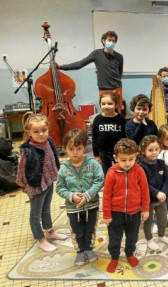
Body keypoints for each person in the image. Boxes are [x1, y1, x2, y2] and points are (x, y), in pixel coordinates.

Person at [16, 113, 66, 252]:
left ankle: (50, 231)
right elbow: (22, 169)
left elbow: (53, 157)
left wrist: (58, 172)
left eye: (44, 130)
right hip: (36, 185)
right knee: (35, 214)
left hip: (48, 180)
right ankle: (40, 239)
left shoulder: (49, 141)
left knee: (46, 208)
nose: (41, 134)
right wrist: (25, 186)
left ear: (48, 129)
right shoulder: (28, 150)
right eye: (36, 132)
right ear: (29, 132)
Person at [55, 129, 104, 265]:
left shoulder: (93, 164)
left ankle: (89, 249)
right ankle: (80, 252)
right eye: (71, 149)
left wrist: (88, 195)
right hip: (73, 208)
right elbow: (59, 188)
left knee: (91, 229)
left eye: (79, 148)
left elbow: (99, 180)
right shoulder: (64, 168)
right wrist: (71, 195)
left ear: (85, 148)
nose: (75, 152)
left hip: (92, 205)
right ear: (65, 149)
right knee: (77, 231)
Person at [102, 138, 150, 273]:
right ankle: (114, 257)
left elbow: (145, 191)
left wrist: (145, 209)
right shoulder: (111, 173)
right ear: (115, 158)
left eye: (131, 159)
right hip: (115, 213)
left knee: (132, 237)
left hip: (134, 213)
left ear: (136, 157)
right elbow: (106, 195)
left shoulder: (139, 171)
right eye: (123, 160)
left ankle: (129, 254)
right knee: (115, 237)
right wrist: (106, 214)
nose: (128, 163)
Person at [58, 31, 124, 114]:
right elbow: (80, 64)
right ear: (103, 41)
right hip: (104, 89)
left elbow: (120, 73)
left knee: (118, 114)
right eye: (109, 40)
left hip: (117, 88)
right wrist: (61, 67)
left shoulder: (119, 57)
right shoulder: (96, 54)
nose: (111, 42)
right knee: (106, 113)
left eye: (113, 41)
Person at [139, 135, 168, 250]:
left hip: (161, 198)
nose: (154, 152)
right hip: (148, 200)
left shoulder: (161, 163)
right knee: (148, 221)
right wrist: (156, 193)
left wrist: (163, 192)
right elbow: (144, 184)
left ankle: (161, 235)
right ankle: (149, 239)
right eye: (150, 150)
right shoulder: (141, 167)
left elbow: (166, 179)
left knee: (162, 218)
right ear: (143, 151)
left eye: (156, 150)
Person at [92, 92, 126, 175]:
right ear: (100, 104)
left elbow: (125, 136)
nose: (106, 106)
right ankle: (109, 185)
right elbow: (94, 137)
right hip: (103, 151)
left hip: (118, 151)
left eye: (110, 104)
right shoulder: (98, 119)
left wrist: (125, 150)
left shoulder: (121, 119)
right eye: (103, 104)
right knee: (107, 172)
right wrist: (96, 155)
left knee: (120, 170)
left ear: (116, 104)